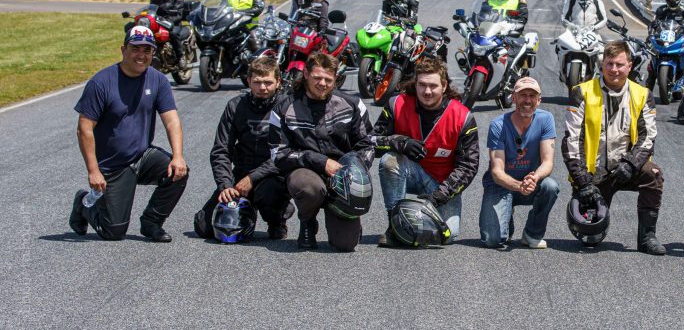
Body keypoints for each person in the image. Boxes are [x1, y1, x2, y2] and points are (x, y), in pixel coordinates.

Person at [68, 26, 189, 242]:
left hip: (141, 156)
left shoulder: (158, 80)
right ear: (124, 50)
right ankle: (85, 203)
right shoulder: (101, 82)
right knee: (113, 232)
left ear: (153, 53)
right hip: (112, 166)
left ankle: (152, 223)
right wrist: (93, 171)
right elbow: (84, 128)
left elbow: (171, 120)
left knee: (178, 171)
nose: (141, 55)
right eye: (135, 49)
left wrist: (178, 156)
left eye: (147, 50)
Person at [563, 40, 665, 255]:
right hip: (594, 172)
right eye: (609, 64)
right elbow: (571, 140)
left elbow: (648, 136)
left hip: (626, 168)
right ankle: (597, 213)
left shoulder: (643, 94)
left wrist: (631, 164)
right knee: (590, 239)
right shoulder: (581, 92)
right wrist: (582, 181)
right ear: (602, 65)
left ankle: (647, 236)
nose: (614, 70)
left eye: (620, 64)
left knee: (653, 174)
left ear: (629, 66)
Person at [269, 52, 374, 251]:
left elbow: (367, 144)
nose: (322, 84)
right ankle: (307, 221)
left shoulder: (352, 104)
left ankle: (347, 216)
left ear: (336, 78)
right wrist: (320, 161)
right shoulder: (284, 108)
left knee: (346, 245)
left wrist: (353, 170)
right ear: (306, 74)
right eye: (317, 78)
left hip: (343, 173)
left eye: (328, 79)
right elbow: (278, 154)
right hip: (305, 171)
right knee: (309, 188)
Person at [373, 57, 479, 244]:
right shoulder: (395, 103)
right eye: (422, 85)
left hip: (442, 185)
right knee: (389, 160)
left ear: (444, 86)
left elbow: (469, 167)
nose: (427, 91)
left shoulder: (463, 117)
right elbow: (369, 141)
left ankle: (417, 216)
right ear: (416, 83)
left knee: (447, 236)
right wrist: (398, 142)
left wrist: (436, 198)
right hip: (409, 172)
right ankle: (396, 226)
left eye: (433, 86)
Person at [193, 57, 295, 241]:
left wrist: (253, 178)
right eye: (257, 82)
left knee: (270, 191)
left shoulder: (288, 107)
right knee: (204, 227)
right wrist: (225, 185)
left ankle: (277, 220)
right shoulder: (235, 106)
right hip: (240, 173)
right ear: (248, 81)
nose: (262, 88)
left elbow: (286, 154)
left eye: (268, 82)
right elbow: (221, 150)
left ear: (278, 82)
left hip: (272, 174)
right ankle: (245, 210)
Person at [479, 77, 559, 249]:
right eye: (523, 95)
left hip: (530, 183)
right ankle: (506, 218)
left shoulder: (546, 120)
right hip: (501, 185)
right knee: (493, 240)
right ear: (513, 98)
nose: (527, 100)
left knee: (550, 186)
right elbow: (497, 172)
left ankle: (532, 234)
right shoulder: (498, 125)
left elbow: (548, 162)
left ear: (539, 100)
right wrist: (517, 186)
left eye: (532, 96)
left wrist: (535, 177)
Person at [149, 0, 190, 69]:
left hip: (174, 23)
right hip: (159, 22)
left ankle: (180, 57)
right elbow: (151, 9)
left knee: (173, 34)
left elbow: (179, 14)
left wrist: (169, 21)